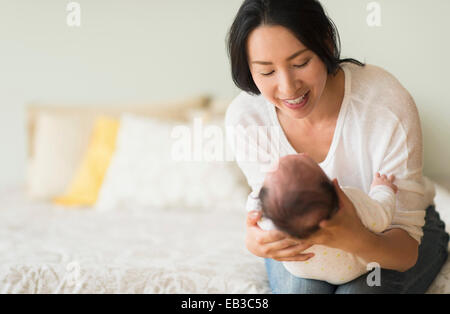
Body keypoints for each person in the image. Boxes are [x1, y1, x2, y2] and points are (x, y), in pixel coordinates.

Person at [225, 0, 449, 293]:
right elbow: (264, 203)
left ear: (326, 45)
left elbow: (405, 252)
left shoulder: (384, 104)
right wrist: (255, 242)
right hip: (308, 241)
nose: (289, 87)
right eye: (267, 72)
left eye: (301, 63)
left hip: (395, 231)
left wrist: (355, 238)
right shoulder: (247, 119)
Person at [258, 153, 399, 284]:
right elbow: (381, 217)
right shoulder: (351, 202)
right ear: (331, 185)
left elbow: (255, 205)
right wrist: (383, 188)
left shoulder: (269, 222)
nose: (304, 154)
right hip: (351, 271)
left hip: (302, 271)